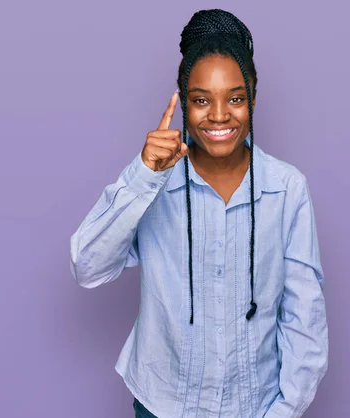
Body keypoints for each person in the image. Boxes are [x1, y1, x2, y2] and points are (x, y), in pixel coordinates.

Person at [70, 9, 328, 418]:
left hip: (256, 409)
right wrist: (142, 177)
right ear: (183, 102)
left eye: (236, 98)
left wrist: (283, 412)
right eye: (202, 99)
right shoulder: (153, 182)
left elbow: (304, 319)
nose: (220, 115)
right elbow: (87, 266)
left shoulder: (286, 188)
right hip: (162, 405)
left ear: (254, 101)